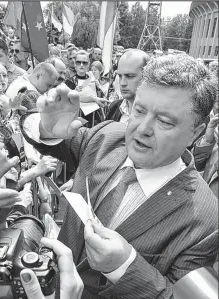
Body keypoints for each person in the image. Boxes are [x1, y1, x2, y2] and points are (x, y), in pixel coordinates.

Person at [21, 54, 218, 298]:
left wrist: (125, 267)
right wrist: (47, 126)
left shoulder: (206, 220)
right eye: (139, 110)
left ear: (195, 132)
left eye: (165, 122)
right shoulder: (106, 137)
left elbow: (181, 295)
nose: (143, 129)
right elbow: (48, 137)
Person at [105, 49, 150, 124]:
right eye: (120, 76)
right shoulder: (114, 107)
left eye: (130, 76)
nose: (122, 83)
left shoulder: (155, 115)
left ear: (146, 76)